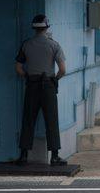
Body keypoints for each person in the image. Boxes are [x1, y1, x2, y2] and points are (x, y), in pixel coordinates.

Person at [15, 14, 67, 166]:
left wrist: (28, 76)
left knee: (28, 119)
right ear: (47, 27)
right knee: (51, 120)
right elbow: (63, 69)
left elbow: (18, 68)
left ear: (34, 28)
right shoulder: (54, 45)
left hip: (32, 85)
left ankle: (24, 155)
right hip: (48, 86)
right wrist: (54, 79)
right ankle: (55, 156)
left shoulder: (26, 45)